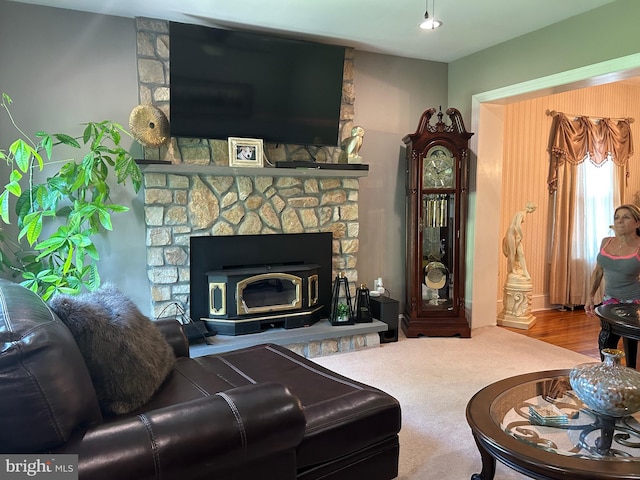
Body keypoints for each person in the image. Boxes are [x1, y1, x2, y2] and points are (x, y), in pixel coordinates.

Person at [585, 204, 640, 317]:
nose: (620, 221)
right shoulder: (606, 242)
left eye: (626, 217)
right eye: (617, 217)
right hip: (609, 299)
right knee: (606, 333)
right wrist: (590, 297)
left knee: (629, 334)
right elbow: (598, 272)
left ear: (637, 223)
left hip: (634, 301)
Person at [502, 202, 537, 280]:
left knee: (521, 253)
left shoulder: (521, 213)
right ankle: (512, 270)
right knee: (512, 253)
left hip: (515, 233)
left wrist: (519, 235)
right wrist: (522, 235)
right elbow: (517, 225)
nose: (532, 212)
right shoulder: (521, 213)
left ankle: (525, 272)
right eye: (533, 210)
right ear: (531, 209)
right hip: (511, 232)